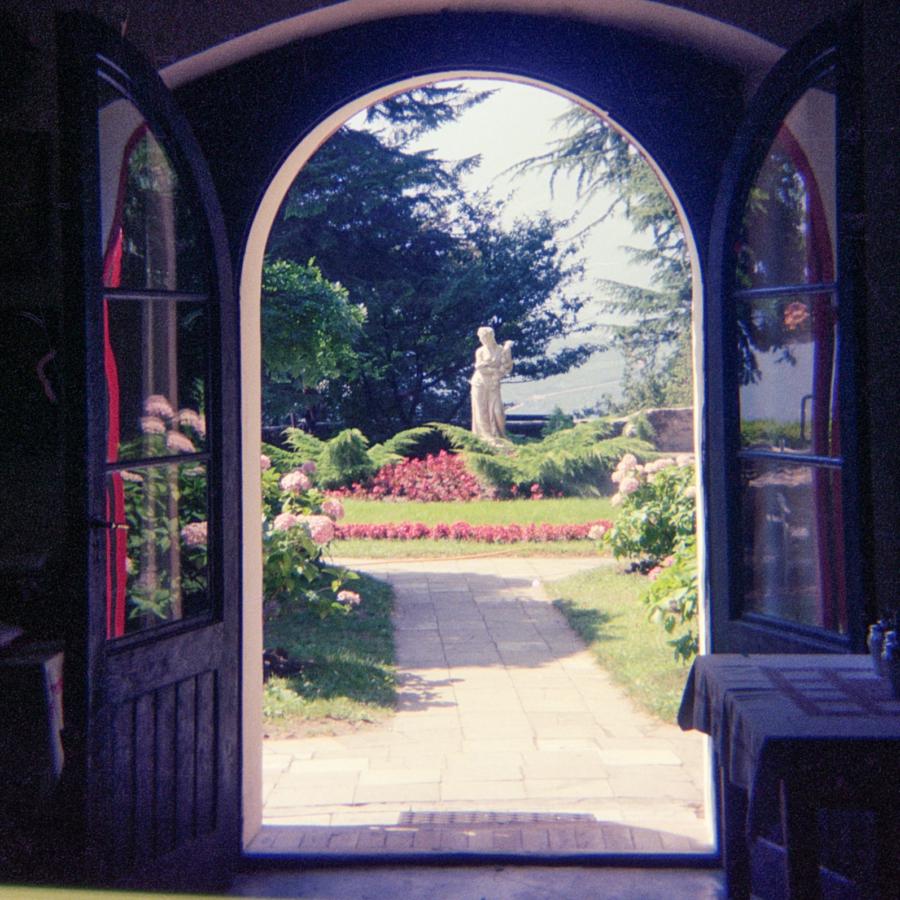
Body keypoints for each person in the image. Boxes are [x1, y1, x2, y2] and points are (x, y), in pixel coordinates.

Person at [470, 326, 513, 441]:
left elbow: (507, 366)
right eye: (481, 338)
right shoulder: (480, 351)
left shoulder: (500, 350)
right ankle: (485, 437)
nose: (482, 340)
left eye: (484, 337)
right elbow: (480, 368)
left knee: (497, 411)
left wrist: (507, 351)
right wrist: (494, 370)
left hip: (494, 383)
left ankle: (501, 435)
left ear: (491, 337)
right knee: (481, 410)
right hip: (480, 383)